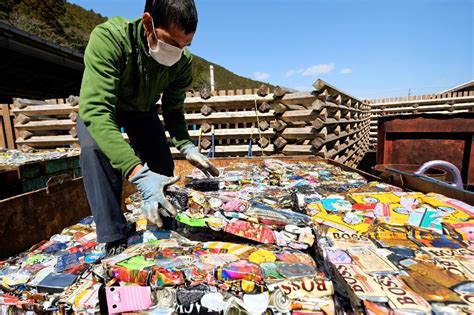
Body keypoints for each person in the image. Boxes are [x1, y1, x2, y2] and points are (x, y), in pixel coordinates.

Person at [77, 0, 219, 255]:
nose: (177, 52)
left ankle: (162, 219)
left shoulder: (181, 62)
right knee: (95, 150)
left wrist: (186, 145)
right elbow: (96, 111)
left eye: (185, 45)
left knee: (162, 163)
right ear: (147, 23)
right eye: (171, 43)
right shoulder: (110, 40)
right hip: (104, 109)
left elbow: (173, 110)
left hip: (142, 111)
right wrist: (137, 174)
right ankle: (114, 234)